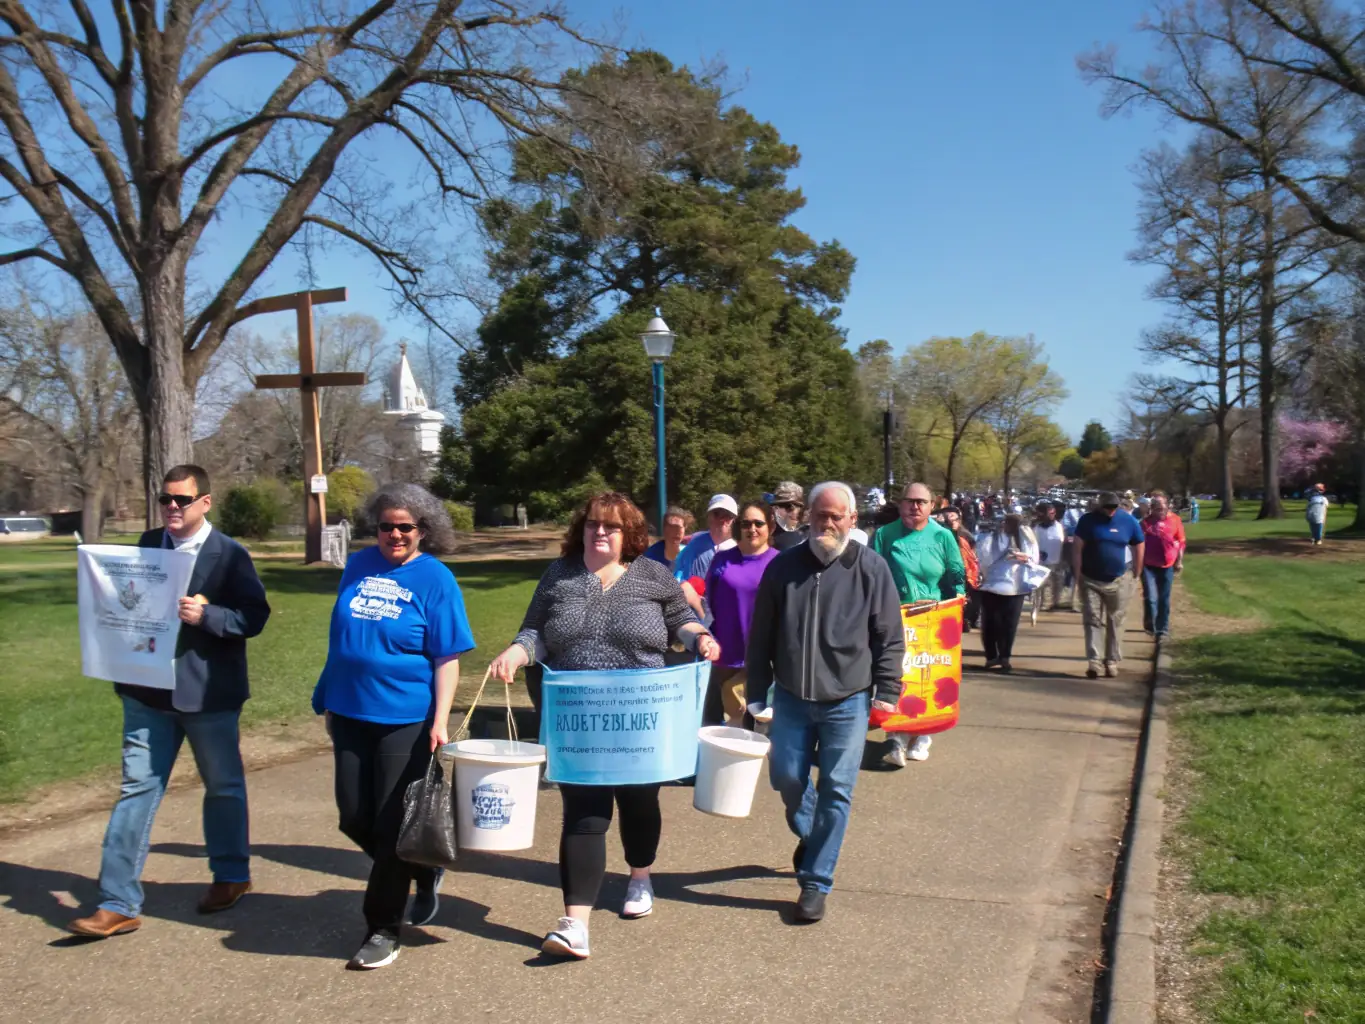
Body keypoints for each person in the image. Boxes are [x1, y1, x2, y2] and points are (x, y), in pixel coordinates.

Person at [487, 493, 720, 959]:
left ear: (628, 534)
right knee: (584, 815)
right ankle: (575, 925)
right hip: (578, 720)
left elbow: (681, 620)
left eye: (612, 527)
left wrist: (701, 637)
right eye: (594, 523)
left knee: (638, 803)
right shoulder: (559, 575)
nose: (601, 532)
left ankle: (639, 876)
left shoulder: (652, 575)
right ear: (582, 527)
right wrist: (518, 651)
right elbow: (534, 630)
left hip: (642, 717)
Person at [69, 465, 271, 939]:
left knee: (223, 787)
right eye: (166, 499)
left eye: (182, 499)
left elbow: (254, 616)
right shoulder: (146, 546)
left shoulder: (230, 556)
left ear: (206, 502)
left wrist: (209, 615)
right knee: (136, 790)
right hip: (145, 694)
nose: (172, 507)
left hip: (208, 695)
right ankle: (118, 902)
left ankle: (231, 875)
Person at [309, 484, 474, 970]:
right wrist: (327, 699)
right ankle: (420, 864)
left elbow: (447, 657)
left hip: (406, 718)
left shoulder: (435, 579)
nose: (395, 534)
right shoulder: (359, 565)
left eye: (406, 527)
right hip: (349, 710)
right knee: (353, 817)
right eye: (386, 526)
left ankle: (383, 928)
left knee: (388, 826)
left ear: (424, 530)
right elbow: (344, 638)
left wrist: (441, 719)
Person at [745, 482, 904, 923]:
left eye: (836, 516)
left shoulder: (871, 569)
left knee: (837, 789)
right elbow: (761, 635)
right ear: (807, 517)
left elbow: (890, 636)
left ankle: (815, 883)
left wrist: (888, 690)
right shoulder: (783, 568)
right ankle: (814, 837)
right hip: (792, 698)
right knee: (786, 779)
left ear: (852, 521)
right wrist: (756, 690)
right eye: (820, 515)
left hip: (847, 700)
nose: (827, 523)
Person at [871, 482, 965, 766]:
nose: (915, 507)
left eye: (921, 502)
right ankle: (896, 737)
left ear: (931, 506)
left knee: (931, 675)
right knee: (898, 675)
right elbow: (872, 574)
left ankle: (924, 734)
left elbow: (955, 575)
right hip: (896, 616)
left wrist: (958, 600)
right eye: (910, 501)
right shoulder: (885, 535)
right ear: (900, 504)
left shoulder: (943, 537)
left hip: (934, 617)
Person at [704, 500, 780, 726]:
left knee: (761, 730)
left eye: (759, 523)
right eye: (746, 524)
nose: (752, 529)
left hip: (765, 661)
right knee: (720, 729)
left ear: (771, 527)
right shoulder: (722, 559)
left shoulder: (780, 562)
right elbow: (709, 603)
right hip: (725, 659)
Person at [1073, 492, 1145, 679]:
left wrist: (1138, 570)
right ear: (1100, 505)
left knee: (1116, 620)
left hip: (1119, 579)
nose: (1111, 511)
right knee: (1092, 620)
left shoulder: (1127, 521)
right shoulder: (1088, 521)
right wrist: (1077, 573)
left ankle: (1111, 660)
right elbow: (1078, 547)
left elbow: (1139, 543)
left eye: (1114, 507)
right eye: (1107, 507)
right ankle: (1094, 662)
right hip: (1090, 578)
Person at [975, 513, 1041, 673]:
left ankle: (1005, 656)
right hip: (992, 586)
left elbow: (1035, 560)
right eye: (1004, 522)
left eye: (1010, 523)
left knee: (1009, 625)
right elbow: (982, 558)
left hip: (1015, 588)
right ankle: (991, 656)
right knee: (991, 623)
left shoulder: (1026, 538)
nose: (1006, 525)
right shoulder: (990, 538)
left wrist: (1026, 559)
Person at [1140, 490, 1185, 640]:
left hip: (1167, 565)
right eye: (1156, 507)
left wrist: (1179, 561)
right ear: (1151, 508)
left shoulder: (1175, 520)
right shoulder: (1145, 523)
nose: (1159, 510)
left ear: (1167, 507)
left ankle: (1162, 630)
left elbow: (1180, 542)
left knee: (1164, 599)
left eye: (1162, 507)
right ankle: (1151, 624)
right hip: (1148, 565)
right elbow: (1138, 544)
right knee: (1151, 598)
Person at [674, 493, 738, 582]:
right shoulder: (695, 545)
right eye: (717, 514)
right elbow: (679, 576)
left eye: (728, 515)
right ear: (708, 517)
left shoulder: (739, 550)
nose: (722, 519)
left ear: (734, 520)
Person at [937, 507, 980, 632]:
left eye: (954, 520)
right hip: (946, 570)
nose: (952, 523)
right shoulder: (941, 534)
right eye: (948, 521)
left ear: (959, 520)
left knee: (965, 596)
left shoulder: (965, 535)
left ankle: (965, 619)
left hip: (964, 570)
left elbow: (971, 554)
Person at [1033, 500, 1067, 613]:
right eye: (1049, 513)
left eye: (1053, 513)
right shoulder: (1035, 528)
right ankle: (1041, 603)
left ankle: (1055, 603)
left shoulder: (1060, 527)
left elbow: (1064, 542)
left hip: (1057, 561)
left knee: (1057, 583)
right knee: (1041, 584)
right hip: (1041, 562)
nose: (1052, 515)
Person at [643, 506, 693, 571]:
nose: (675, 532)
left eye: (678, 528)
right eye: (671, 527)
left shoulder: (690, 554)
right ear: (664, 529)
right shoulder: (650, 557)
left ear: (684, 528)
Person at [769, 481, 809, 552]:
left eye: (799, 507)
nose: (794, 512)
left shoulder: (807, 533)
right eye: (787, 506)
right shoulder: (766, 531)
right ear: (775, 507)